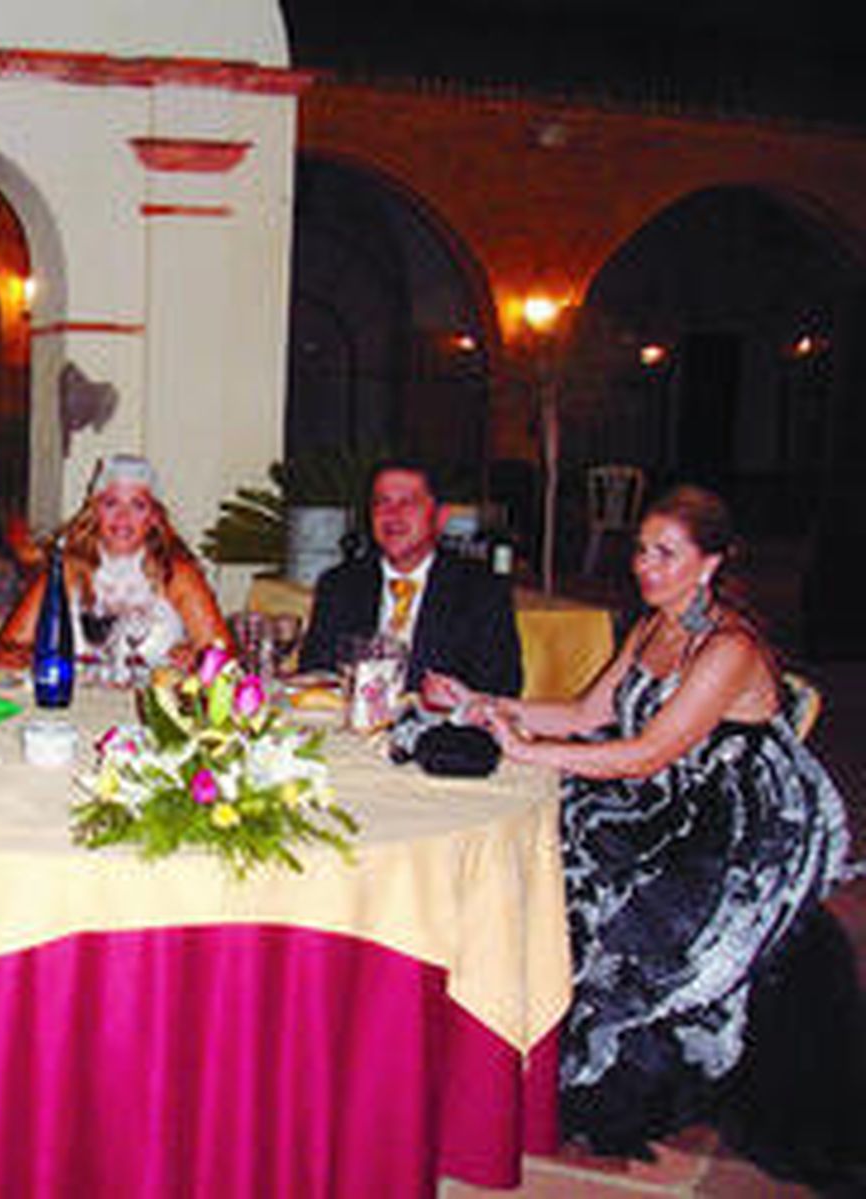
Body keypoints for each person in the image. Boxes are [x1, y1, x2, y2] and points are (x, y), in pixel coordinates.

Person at [447, 485, 862, 1179]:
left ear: (710, 563)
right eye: (641, 550)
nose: (645, 565)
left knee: (591, 877)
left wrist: (526, 750)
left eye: (665, 553)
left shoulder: (728, 647)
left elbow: (645, 752)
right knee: (537, 836)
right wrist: (479, 703)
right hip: (662, 792)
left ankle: (602, 1066)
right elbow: (585, 714)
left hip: (734, 820)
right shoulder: (652, 625)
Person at [0, 454, 231, 671]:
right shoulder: (66, 572)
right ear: (94, 512)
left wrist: (197, 661)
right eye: (111, 503)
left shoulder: (177, 575)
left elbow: (226, 658)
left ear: (153, 517)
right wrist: (35, 658)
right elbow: (0, 651)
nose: (123, 517)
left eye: (138, 505)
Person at [298, 459, 522, 697]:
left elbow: (500, 687)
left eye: (408, 503)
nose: (392, 515)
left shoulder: (481, 590)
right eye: (382, 502)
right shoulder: (339, 585)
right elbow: (316, 674)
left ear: (440, 517)